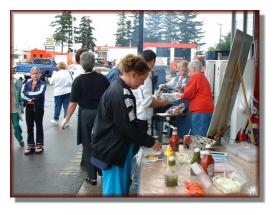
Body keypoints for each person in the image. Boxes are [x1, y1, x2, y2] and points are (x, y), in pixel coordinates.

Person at [90, 54, 162, 196]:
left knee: (121, 190)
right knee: (115, 193)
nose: (142, 84)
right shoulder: (120, 93)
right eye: (142, 79)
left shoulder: (122, 88)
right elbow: (126, 127)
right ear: (133, 74)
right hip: (113, 150)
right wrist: (150, 141)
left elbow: (129, 123)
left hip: (117, 148)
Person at [60, 51, 110, 185]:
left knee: (88, 145)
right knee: (102, 143)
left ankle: (92, 177)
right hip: (102, 114)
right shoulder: (102, 78)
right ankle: (104, 173)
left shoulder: (78, 80)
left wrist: (66, 119)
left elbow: (73, 103)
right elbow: (109, 97)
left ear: (81, 64)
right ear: (94, 63)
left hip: (86, 114)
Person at [132, 49, 170, 133]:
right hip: (140, 118)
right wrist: (165, 102)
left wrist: (154, 97)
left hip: (137, 116)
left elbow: (143, 97)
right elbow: (147, 102)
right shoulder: (146, 77)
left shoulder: (139, 73)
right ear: (153, 61)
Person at [177, 60, 214, 137]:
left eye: (190, 70)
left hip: (200, 110)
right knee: (204, 134)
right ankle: (204, 148)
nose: (189, 73)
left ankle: (200, 149)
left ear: (193, 69)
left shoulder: (195, 76)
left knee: (199, 136)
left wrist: (179, 95)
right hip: (208, 109)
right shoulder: (203, 77)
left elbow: (188, 94)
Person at [159, 60, 192, 137]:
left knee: (184, 121)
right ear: (179, 70)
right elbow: (168, 85)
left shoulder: (190, 80)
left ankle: (182, 136)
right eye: (182, 70)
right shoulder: (176, 79)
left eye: (185, 70)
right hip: (175, 103)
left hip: (185, 104)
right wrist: (163, 85)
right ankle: (172, 136)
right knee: (174, 120)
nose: (183, 72)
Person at [21, 67, 46, 155]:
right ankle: (30, 145)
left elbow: (39, 93)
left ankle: (39, 144)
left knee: (39, 125)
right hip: (29, 107)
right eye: (33, 73)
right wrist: (29, 99)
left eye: (37, 73)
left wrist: (28, 94)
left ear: (40, 74)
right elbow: (22, 94)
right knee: (29, 126)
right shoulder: (26, 83)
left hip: (38, 107)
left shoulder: (42, 84)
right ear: (30, 74)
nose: (35, 75)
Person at [11, 76, 24, 147]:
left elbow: (20, 94)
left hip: (14, 109)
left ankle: (20, 138)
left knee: (16, 125)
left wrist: (21, 106)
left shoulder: (16, 81)